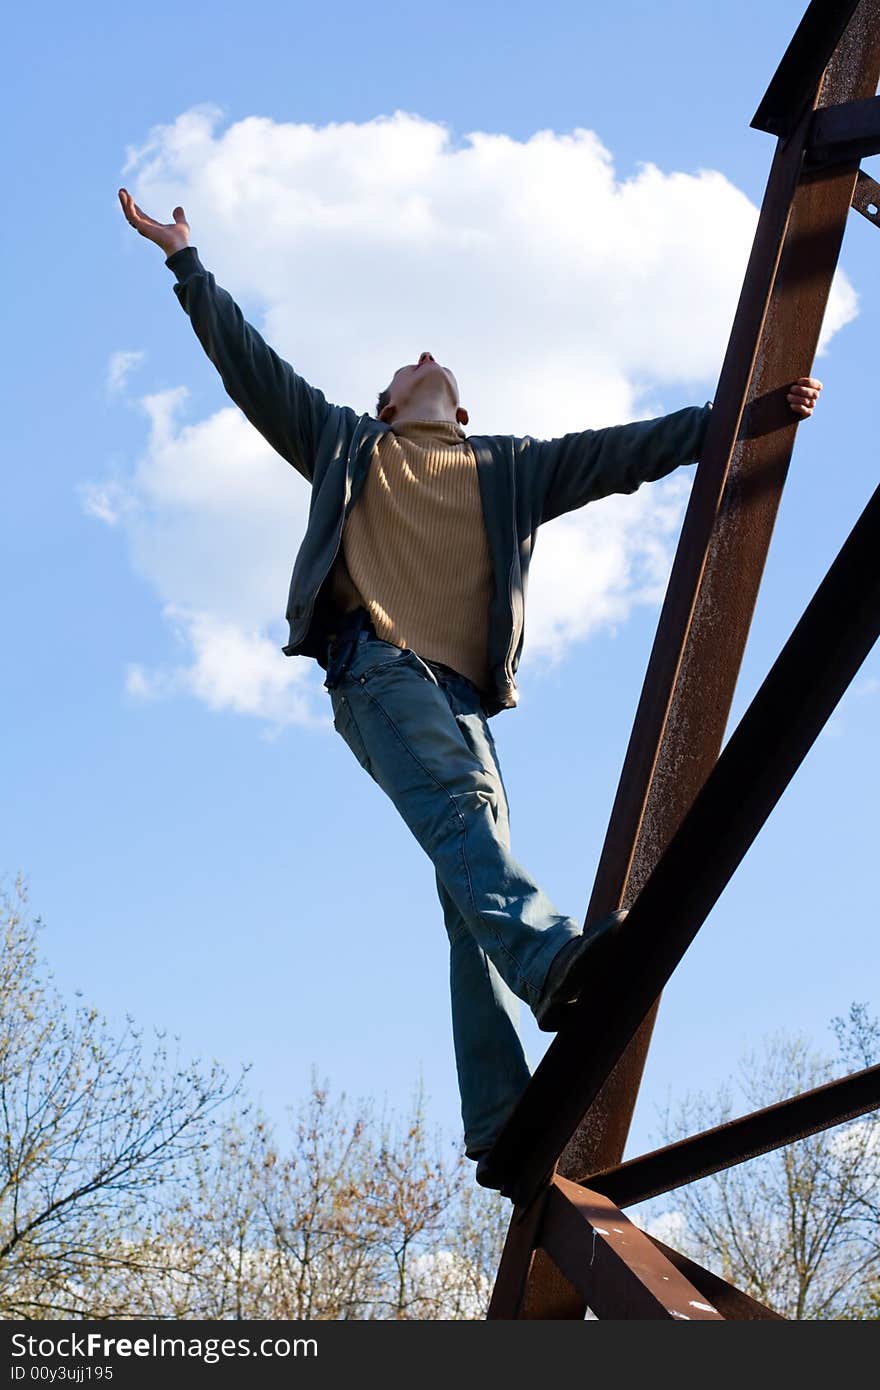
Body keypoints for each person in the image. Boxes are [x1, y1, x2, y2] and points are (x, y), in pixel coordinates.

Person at [117, 189, 823, 1188]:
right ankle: (550, 963)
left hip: (455, 697)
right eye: (403, 363)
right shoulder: (344, 447)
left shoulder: (508, 470)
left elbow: (626, 452)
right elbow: (248, 365)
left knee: (466, 876)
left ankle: (498, 1112)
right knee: (463, 821)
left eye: (433, 362)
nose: (423, 351)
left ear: (463, 408)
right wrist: (186, 262)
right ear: (388, 404)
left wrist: (744, 420)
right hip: (379, 672)